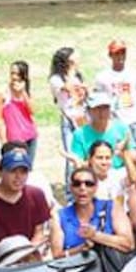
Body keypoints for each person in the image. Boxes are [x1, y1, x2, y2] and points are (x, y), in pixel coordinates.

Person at [52, 166, 135, 272]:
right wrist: (81, 249)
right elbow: (56, 257)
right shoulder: (59, 216)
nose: (82, 188)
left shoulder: (111, 207)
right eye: (77, 184)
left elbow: (128, 244)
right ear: (71, 188)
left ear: (96, 187)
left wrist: (95, 236)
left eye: (88, 184)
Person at [0, 145, 51, 263]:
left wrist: (30, 249)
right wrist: (6, 248)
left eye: (23, 172)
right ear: (1, 171)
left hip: (28, 259)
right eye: (13, 171)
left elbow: (39, 230)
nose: (18, 177)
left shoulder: (36, 194)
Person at [95, 39, 136, 148]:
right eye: (117, 53)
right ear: (110, 55)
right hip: (117, 122)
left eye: (123, 53)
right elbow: (98, 101)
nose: (120, 56)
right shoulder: (102, 77)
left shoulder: (135, 74)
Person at [49, 47, 88, 188]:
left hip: (81, 116)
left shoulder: (77, 75)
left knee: (85, 153)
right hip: (68, 119)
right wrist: (72, 72)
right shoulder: (56, 79)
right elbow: (69, 88)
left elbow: (82, 94)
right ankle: (70, 192)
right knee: (72, 156)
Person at [70, 92, 132, 173]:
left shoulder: (122, 128)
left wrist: (123, 153)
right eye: (97, 108)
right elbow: (78, 163)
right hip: (92, 174)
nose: (101, 112)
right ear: (89, 110)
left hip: (119, 172)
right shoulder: (79, 134)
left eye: (105, 108)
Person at [0, 61, 37, 163]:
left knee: (28, 169)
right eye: (12, 73)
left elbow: (33, 111)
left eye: (17, 74)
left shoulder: (25, 91)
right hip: (14, 139)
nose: (14, 77)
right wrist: (3, 141)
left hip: (31, 135)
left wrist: (23, 93)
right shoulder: (2, 92)